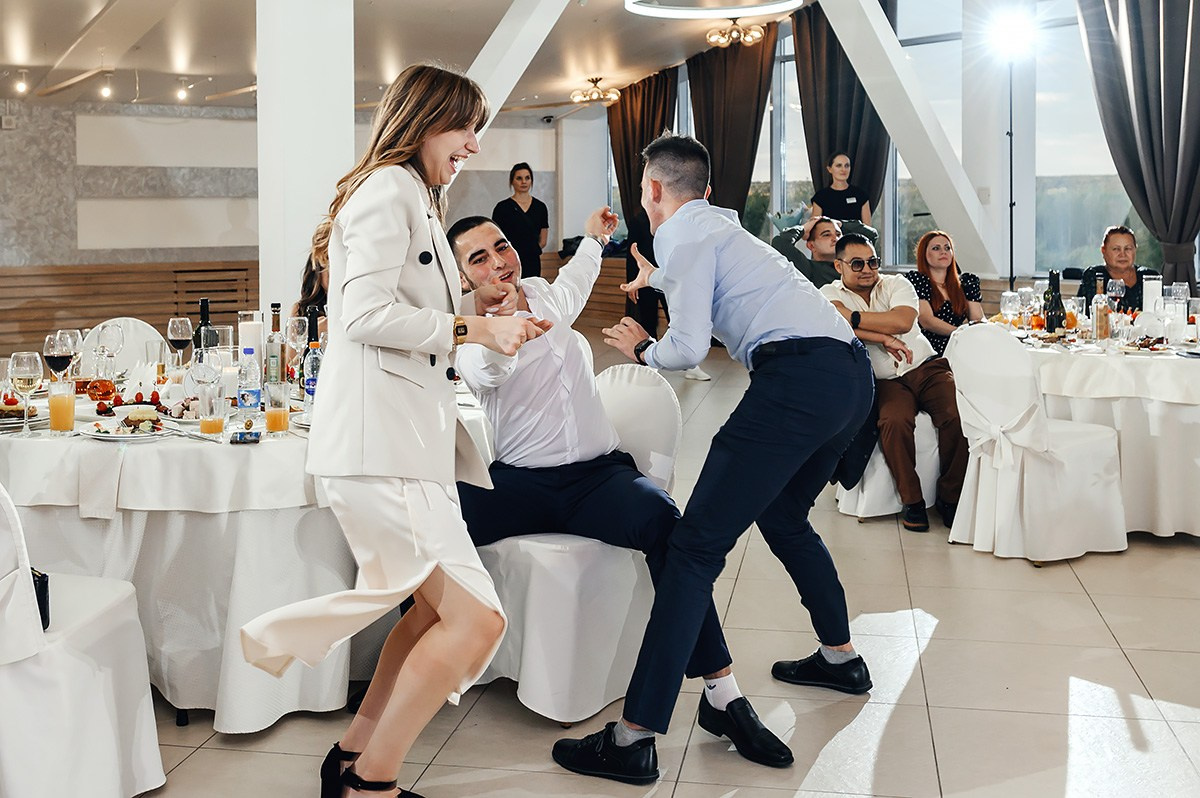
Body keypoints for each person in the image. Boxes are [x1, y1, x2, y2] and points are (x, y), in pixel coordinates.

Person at [238, 64, 551, 798]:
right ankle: (371, 785)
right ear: (426, 121)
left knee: (430, 614)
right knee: (476, 622)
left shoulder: (414, 193)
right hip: (382, 448)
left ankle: (352, 757)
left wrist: (478, 319)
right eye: (465, 128)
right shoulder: (389, 189)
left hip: (404, 445)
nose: (474, 145)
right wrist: (477, 329)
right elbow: (364, 316)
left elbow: (408, 314)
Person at [551, 134, 875, 785]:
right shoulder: (720, 231)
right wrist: (656, 278)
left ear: (652, 189)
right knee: (783, 517)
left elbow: (688, 348)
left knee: (693, 549)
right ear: (704, 188)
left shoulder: (681, 235)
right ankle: (840, 659)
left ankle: (633, 736)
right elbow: (724, 286)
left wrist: (643, 349)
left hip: (796, 383)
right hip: (850, 378)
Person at [446, 209, 791, 769]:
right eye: (478, 259)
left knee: (674, 533)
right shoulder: (466, 331)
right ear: (463, 276)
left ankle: (723, 696)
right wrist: (499, 329)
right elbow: (488, 372)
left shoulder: (543, 294)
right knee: (431, 522)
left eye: (501, 246)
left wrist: (596, 236)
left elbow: (578, 278)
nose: (497, 263)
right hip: (519, 484)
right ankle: (418, 669)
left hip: (597, 478)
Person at [820, 234, 968, 533]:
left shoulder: (897, 284)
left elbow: (902, 322)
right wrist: (883, 336)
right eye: (857, 263)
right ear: (839, 265)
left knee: (957, 415)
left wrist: (852, 318)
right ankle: (912, 500)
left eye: (872, 262)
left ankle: (951, 497)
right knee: (893, 421)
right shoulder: (827, 292)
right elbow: (834, 327)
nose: (867, 269)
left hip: (926, 367)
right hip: (885, 380)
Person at [904, 230, 983, 356]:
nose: (943, 252)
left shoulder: (966, 282)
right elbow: (926, 320)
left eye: (947, 248)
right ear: (924, 254)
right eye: (936, 248)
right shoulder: (918, 280)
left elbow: (977, 320)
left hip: (960, 345)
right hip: (929, 350)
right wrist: (959, 333)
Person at [1076, 225, 1155, 312]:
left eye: (1128, 249)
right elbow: (1085, 314)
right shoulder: (1094, 275)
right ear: (1103, 250)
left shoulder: (1150, 276)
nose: (1122, 254)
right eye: (1116, 249)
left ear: (1135, 250)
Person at [492, 162, 549, 279]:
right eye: (519, 178)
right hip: (509, 261)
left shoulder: (540, 207)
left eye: (527, 178)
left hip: (533, 261)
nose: (524, 182)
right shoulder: (502, 208)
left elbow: (543, 240)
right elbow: (495, 239)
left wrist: (530, 250)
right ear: (512, 181)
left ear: (531, 181)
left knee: (531, 289)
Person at [806, 152, 872, 234]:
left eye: (847, 166)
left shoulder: (860, 195)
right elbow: (815, 229)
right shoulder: (820, 197)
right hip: (830, 241)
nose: (843, 169)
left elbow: (868, 229)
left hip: (855, 240)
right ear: (829, 169)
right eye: (839, 165)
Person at [772, 215, 842, 288]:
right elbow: (780, 242)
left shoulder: (848, 267)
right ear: (811, 246)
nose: (836, 238)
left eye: (838, 234)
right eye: (826, 235)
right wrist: (804, 228)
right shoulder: (808, 268)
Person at [292, 250, 329, 336]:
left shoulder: (353, 306)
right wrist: (314, 333)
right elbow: (292, 343)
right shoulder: (299, 310)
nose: (331, 271)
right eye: (326, 265)